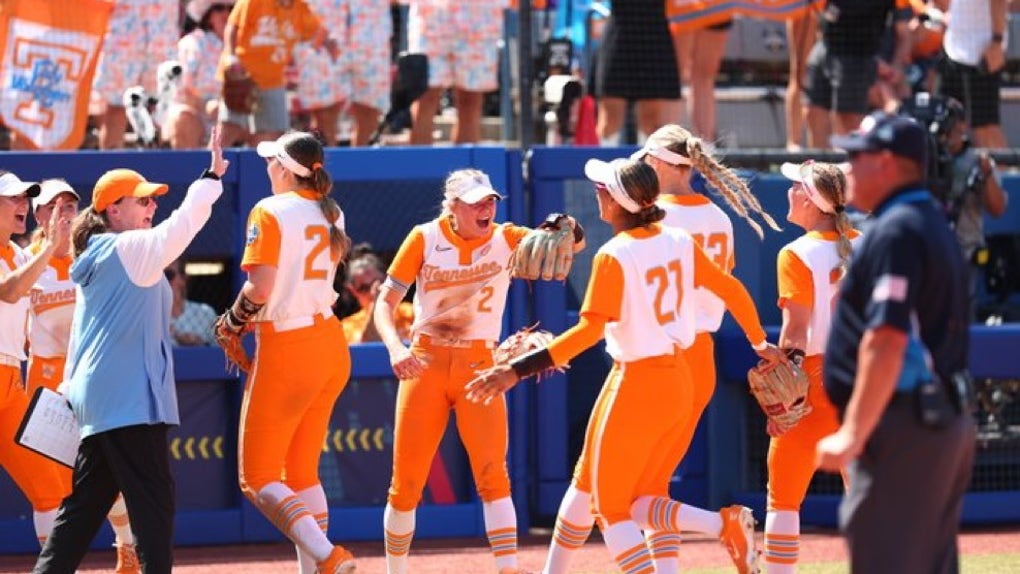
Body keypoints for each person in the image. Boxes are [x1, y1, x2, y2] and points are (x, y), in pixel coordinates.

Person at [465, 158, 785, 574]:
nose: (596, 192)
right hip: (678, 380)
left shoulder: (613, 254)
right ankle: (721, 523)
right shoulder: (677, 239)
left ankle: (722, 524)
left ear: (617, 202)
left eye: (602, 188)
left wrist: (515, 370)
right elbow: (731, 288)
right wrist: (760, 341)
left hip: (639, 382)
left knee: (612, 508)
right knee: (637, 497)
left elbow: (587, 333)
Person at [32, 128, 229, 574]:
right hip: (127, 403)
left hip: (104, 402)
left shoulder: (103, 254)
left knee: (83, 509)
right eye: (142, 200)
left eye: (153, 199)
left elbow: (83, 332)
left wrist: (72, 388)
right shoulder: (126, 249)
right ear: (112, 210)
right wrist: (211, 179)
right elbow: (180, 229)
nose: (152, 206)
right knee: (153, 506)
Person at [372, 168, 585, 574]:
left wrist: (567, 224)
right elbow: (385, 302)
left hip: (479, 364)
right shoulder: (425, 237)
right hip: (425, 362)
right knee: (405, 484)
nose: (486, 208)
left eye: (489, 200)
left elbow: (574, 244)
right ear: (452, 207)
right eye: (475, 203)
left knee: (493, 476)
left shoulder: (506, 237)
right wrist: (395, 348)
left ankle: (507, 569)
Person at [817, 113, 976, 573]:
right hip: (936, 418)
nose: (846, 168)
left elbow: (886, 338)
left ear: (885, 162)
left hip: (906, 423)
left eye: (854, 156)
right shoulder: (926, 219)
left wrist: (853, 431)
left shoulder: (899, 228)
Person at [226, 131, 355, 574]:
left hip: (289, 345)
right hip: (329, 341)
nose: (267, 168)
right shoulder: (331, 209)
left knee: (258, 477)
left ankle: (328, 557)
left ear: (284, 168)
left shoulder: (271, 209)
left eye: (271, 161)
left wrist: (232, 321)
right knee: (302, 474)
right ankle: (319, 566)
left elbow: (259, 288)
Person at [26, 179, 142, 574]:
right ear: (38, 215)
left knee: (98, 473)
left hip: (88, 378)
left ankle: (127, 547)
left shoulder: (94, 254)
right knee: (49, 486)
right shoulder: (25, 261)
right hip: (43, 383)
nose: (63, 211)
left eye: (70, 204)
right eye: (53, 205)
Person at [763, 160, 861, 573]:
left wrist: (787, 383)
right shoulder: (871, 239)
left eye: (795, 187)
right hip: (867, 379)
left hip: (818, 381)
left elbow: (796, 331)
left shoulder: (796, 253)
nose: (789, 193)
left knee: (783, 498)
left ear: (810, 200)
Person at [0, 171, 71, 555]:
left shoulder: (18, 254)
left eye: (27, 198)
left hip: (11, 385)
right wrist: (50, 247)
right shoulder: (22, 260)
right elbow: (10, 290)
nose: (23, 205)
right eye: (13, 198)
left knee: (50, 492)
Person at [928, 96, 1009, 318]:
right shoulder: (923, 157)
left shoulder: (975, 160)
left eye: (953, 124)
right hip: (926, 254)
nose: (948, 131)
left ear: (963, 125)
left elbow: (998, 208)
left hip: (964, 254)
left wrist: (986, 174)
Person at [218, 0, 337, 146]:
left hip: (273, 80)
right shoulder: (254, 2)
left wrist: (329, 41)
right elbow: (232, 27)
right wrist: (231, 56)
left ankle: (260, 169)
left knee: (273, 137)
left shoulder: (301, 9)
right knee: (230, 128)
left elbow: (316, 31)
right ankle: (207, 167)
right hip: (242, 75)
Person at [804, 0, 910, 147]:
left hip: (857, 54)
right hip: (825, 47)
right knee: (813, 111)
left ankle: (850, 165)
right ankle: (818, 166)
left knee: (847, 120)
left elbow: (904, 33)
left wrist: (896, 65)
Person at [293, 0, 392, 146]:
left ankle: (358, 163)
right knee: (324, 113)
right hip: (319, 37)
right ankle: (327, 165)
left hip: (372, 39)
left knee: (370, 108)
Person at [407, 0, 505, 145]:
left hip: (479, 21)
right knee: (424, 97)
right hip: (430, 19)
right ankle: (419, 166)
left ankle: (465, 166)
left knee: (470, 101)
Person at [90, 0, 179, 149]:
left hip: (162, 40)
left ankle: (155, 169)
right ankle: (111, 169)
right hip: (123, 42)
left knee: (159, 112)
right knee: (116, 109)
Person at [594, 1, 681, 145]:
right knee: (610, 118)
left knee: (651, 119)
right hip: (619, 31)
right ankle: (606, 163)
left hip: (654, 32)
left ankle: (646, 166)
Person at [937, 0, 1009, 148]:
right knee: (948, 121)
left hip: (980, 50)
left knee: (984, 127)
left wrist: (997, 41)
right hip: (954, 47)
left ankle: (1005, 171)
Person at [164, 1, 236, 149]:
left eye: (231, 9)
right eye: (219, 8)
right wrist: (207, 107)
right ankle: (188, 170)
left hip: (231, 115)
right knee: (183, 118)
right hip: (194, 110)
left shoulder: (241, 46)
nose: (226, 14)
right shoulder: (193, 43)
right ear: (208, 15)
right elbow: (183, 88)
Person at [339, 249, 413, 344]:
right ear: (353, 291)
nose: (373, 291)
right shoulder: (348, 326)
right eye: (364, 288)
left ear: (387, 279)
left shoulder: (409, 312)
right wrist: (377, 304)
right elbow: (365, 350)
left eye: (378, 283)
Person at [165, 259, 218, 346]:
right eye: (157, 277)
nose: (162, 282)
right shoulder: (148, 316)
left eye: (168, 275)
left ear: (183, 279)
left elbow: (221, 351)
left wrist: (201, 344)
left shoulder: (205, 313)